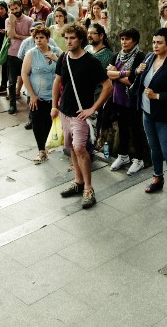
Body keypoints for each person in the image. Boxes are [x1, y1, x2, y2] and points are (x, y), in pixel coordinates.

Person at [51, 24, 112, 209]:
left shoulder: (91, 61)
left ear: (81, 39)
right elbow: (57, 81)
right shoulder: (64, 58)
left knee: (79, 148)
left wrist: (92, 108)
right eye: (66, 38)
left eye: (72, 38)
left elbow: (107, 86)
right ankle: (78, 182)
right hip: (64, 111)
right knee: (71, 147)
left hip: (81, 114)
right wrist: (54, 106)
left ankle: (88, 188)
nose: (68, 42)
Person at [130, 27, 167, 206]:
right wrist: (138, 71)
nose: (155, 45)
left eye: (159, 43)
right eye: (154, 42)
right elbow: (139, 79)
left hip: (166, 116)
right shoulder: (149, 57)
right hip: (147, 112)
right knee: (154, 148)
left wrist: (157, 96)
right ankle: (157, 177)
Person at [105, 28, 148, 175]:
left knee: (135, 129)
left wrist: (117, 74)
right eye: (122, 39)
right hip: (118, 99)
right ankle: (123, 156)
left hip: (132, 100)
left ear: (135, 41)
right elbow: (108, 73)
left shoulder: (140, 56)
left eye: (127, 39)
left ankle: (139, 159)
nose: (124, 42)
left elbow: (133, 81)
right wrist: (125, 73)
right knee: (122, 128)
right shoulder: (117, 55)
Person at [21, 26, 61, 163]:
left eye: (41, 37)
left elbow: (67, 67)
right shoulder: (31, 54)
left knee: (51, 123)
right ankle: (41, 150)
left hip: (55, 97)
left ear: (48, 39)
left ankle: (51, 145)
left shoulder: (56, 51)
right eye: (36, 38)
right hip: (38, 96)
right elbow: (24, 74)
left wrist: (55, 58)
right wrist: (32, 95)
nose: (38, 40)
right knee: (38, 123)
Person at [4, 0, 34, 114]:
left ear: (20, 7)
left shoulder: (29, 20)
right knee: (12, 81)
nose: (14, 11)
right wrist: (12, 23)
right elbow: (10, 35)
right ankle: (12, 104)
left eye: (16, 8)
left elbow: (32, 37)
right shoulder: (8, 20)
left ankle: (30, 103)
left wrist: (18, 36)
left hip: (26, 54)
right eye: (12, 9)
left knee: (28, 79)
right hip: (12, 53)